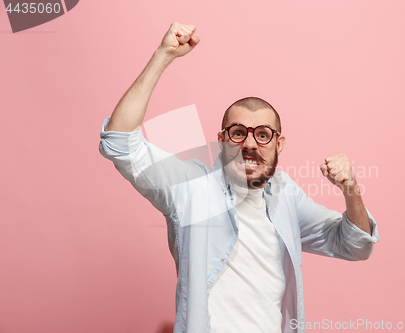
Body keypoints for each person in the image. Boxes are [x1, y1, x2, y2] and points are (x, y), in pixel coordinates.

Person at [99, 22, 379, 333]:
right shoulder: (190, 187)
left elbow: (356, 245)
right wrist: (163, 56)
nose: (248, 144)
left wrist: (350, 188)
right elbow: (119, 143)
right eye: (237, 133)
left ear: (278, 144)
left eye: (262, 134)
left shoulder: (286, 195)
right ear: (222, 139)